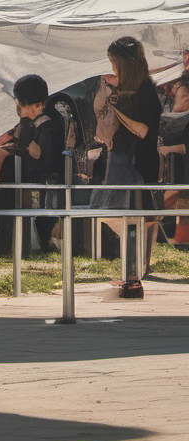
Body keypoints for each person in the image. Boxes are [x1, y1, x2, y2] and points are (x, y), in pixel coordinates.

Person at [91, 36, 162, 297]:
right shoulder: (133, 87)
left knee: (119, 214)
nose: (112, 67)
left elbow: (143, 130)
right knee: (126, 216)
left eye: (114, 61)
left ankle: (133, 275)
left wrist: (117, 109)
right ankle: (133, 273)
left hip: (133, 160)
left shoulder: (144, 88)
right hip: (122, 156)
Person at [0, 74, 65, 256]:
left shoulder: (46, 124)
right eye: (25, 106)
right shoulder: (30, 122)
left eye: (36, 106)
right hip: (23, 181)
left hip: (39, 183)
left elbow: (40, 155)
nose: (31, 110)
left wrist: (19, 146)